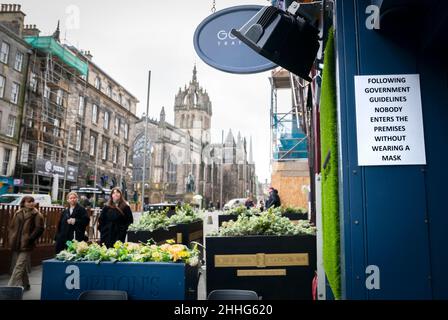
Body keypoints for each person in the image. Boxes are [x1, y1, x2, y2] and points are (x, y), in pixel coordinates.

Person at [7, 196, 44, 290]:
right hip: (16, 242)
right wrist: (11, 238)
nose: (31, 203)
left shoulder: (37, 214)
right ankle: (26, 285)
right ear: (23, 203)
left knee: (19, 265)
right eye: (28, 202)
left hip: (27, 244)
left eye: (32, 202)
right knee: (20, 265)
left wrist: (30, 239)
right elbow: (12, 227)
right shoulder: (18, 213)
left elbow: (39, 229)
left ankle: (10, 287)